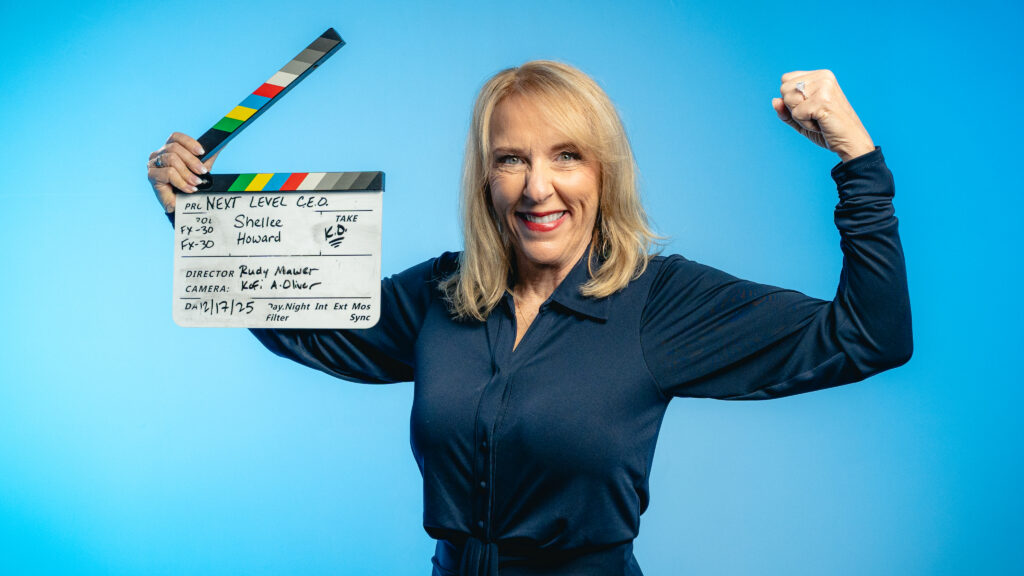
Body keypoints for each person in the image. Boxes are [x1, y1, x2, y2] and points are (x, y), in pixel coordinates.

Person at [147, 61, 912, 575]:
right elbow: (305, 325)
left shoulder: (659, 302)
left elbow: (866, 338)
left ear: (604, 171)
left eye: (566, 156)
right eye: (511, 158)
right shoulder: (442, 294)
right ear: (485, 178)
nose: (537, 187)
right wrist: (199, 220)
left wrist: (857, 160)